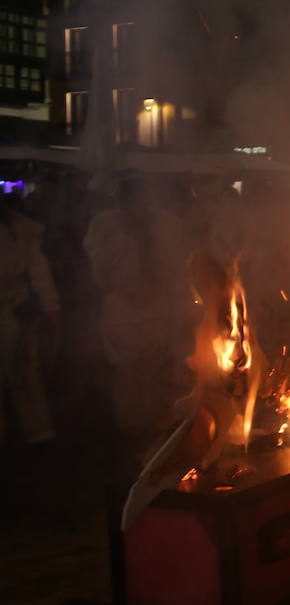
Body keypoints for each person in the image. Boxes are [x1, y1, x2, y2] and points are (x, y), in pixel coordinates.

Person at [83, 173, 192, 455]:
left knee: (158, 365)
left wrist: (166, 293)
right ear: (118, 202)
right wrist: (121, 284)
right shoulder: (105, 226)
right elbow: (97, 261)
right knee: (128, 370)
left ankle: (158, 428)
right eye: (126, 201)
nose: (134, 207)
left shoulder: (166, 224)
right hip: (121, 304)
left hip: (159, 303)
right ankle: (131, 430)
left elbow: (179, 263)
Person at [0, 202, 60, 446]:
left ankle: (39, 433)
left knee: (24, 372)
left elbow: (38, 268)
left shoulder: (19, 227)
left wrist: (51, 306)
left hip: (13, 308)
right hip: (14, 306)